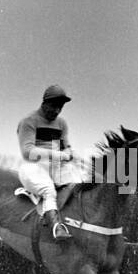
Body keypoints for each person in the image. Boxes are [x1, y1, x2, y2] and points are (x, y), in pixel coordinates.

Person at [17, 84, 85, 240]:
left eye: (60, 107)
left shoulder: (61, 123)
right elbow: (28, 152)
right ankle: (56, 229)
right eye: (53, 106)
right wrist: (60, 155)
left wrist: (70, 153)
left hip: (55, 168)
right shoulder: (28, 122)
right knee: (49, 191)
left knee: (78, 186)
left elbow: (66, 147)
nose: (56, 111)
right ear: (44, 103)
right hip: (33, 168)